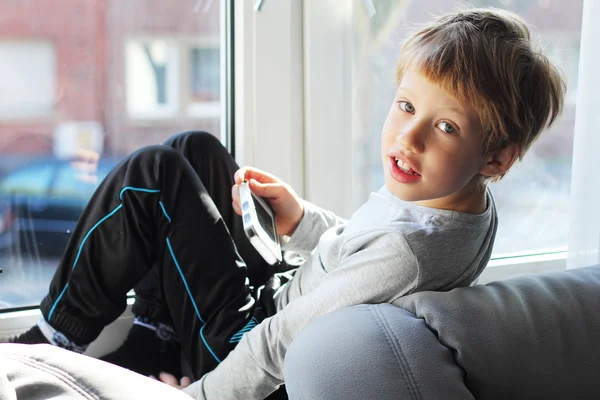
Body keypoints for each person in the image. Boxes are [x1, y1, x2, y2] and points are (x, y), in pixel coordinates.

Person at [1, 7, 565, 400]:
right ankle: (159, 338)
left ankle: (51, 338)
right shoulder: (459, 209)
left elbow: (281, 339)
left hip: (249, 349)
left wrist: (198, 398)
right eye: (405, 105)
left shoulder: (411, 251)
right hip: (273, 302)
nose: (408, 138)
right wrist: (302, 220)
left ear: (496, 158)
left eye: (445, 126)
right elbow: (363, 256)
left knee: (152, 177)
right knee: (194, 150)